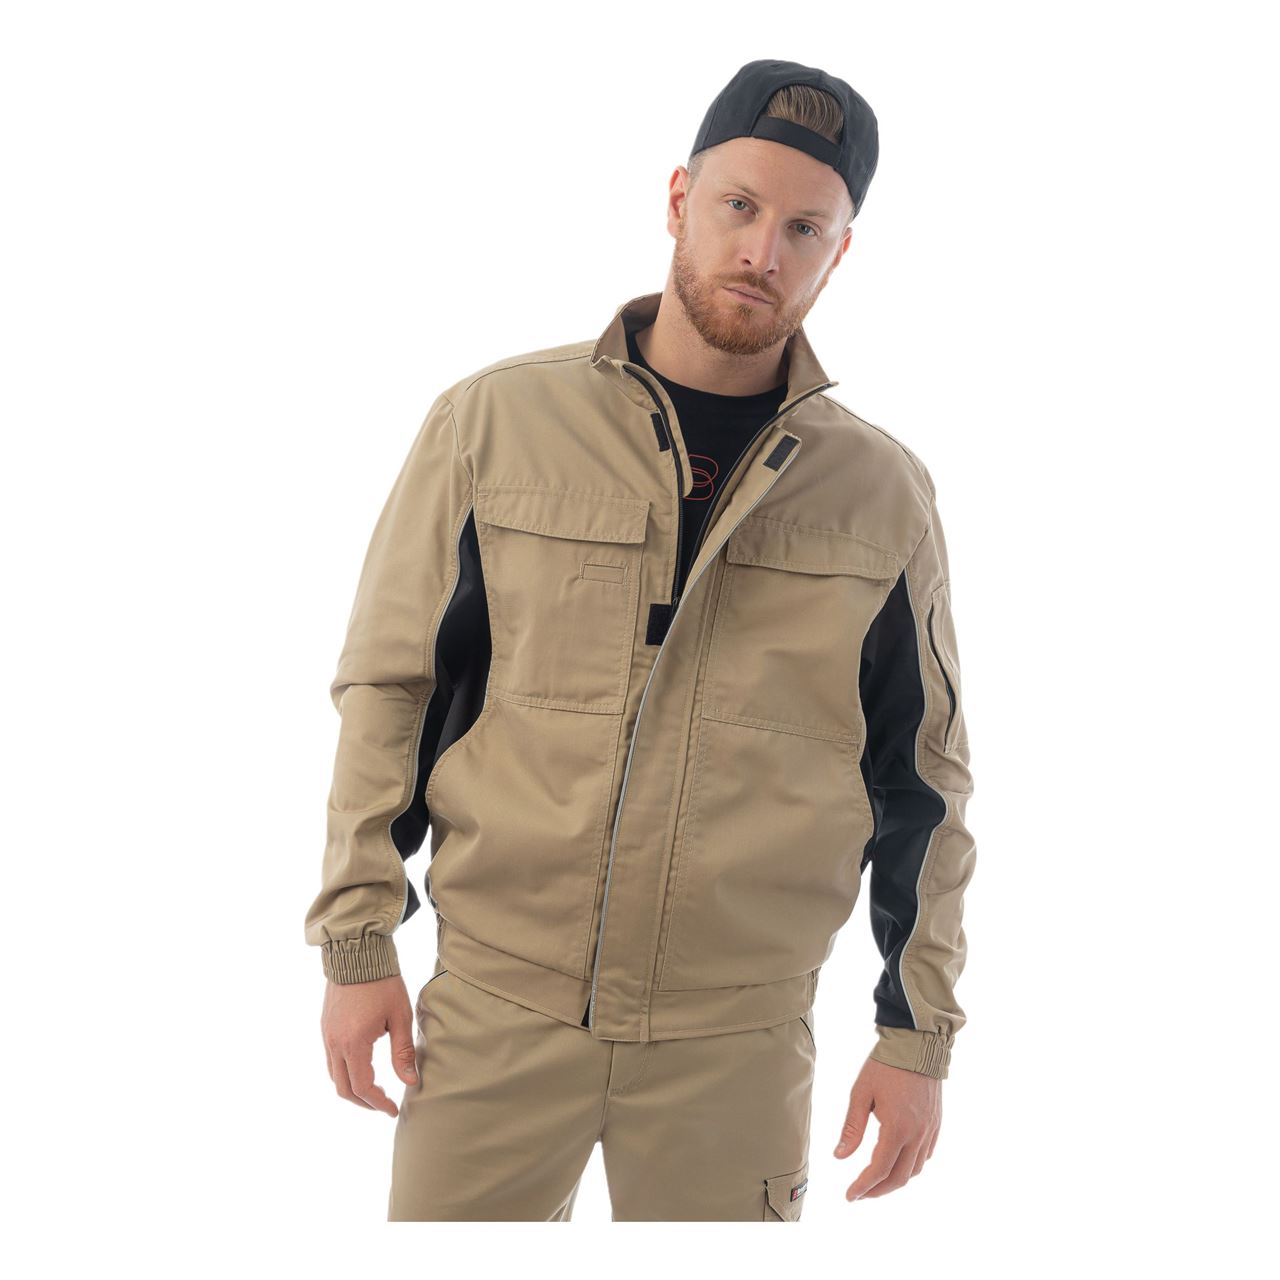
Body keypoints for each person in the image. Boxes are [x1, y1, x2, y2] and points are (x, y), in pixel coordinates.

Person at [304, 57, 977, 1222]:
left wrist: (915, 1035)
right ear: (678, 200)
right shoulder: (493, 424)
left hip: (737, 1042)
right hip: (496, 1012)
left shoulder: (881, 494)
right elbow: (392, 689)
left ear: (838, 252)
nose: (762, 250)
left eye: (803, 227)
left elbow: (920, 776)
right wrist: (359, 944)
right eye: (738, 206)